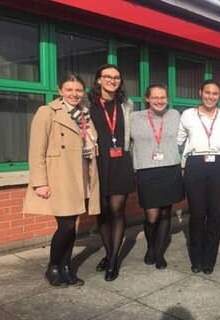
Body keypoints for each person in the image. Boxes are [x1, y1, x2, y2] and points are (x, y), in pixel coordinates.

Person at [23, 74, 100, 287]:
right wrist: (40, 182)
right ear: (60, 91)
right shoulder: (47, 112)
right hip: (60, 176)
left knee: (72, 225)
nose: (74, 94)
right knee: (65, 225)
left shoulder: (84, 114)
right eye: (69, 90)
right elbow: (36, 149)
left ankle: (66, 267)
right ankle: (53, 267)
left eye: (78, 90)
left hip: (81, 175)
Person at [178, 79, 220, 275]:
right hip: (194, 164)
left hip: (218, 164)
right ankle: (197, 258)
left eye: (215, 93)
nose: (211, 96)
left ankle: (210, 259)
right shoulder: (187, 115)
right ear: (200, 92)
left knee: (215, 215)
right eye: (207, 92)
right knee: (196, 214)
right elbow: (178, 140)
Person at [130, 84, 184, 270]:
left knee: (165, 214)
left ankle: (159, 252)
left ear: (167, 99)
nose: (159, 101)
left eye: (163, 97)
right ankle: (150, 247)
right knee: (151, 216)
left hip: (170, 170)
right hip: (147, 171)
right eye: (155, 97)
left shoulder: (175, 115)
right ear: (147, 99)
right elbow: (126, 143)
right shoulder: (135, 118)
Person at [89, 64, 135, 282]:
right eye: (107, 76)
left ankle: (114, 259)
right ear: (99, 80)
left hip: (121, 161)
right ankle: (108, 254)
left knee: (117, 209)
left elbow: (132, 134)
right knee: (103, 211)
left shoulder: (126, 105)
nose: (112, 80)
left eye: (116, 77)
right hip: (97, 163)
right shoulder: (87, 105)